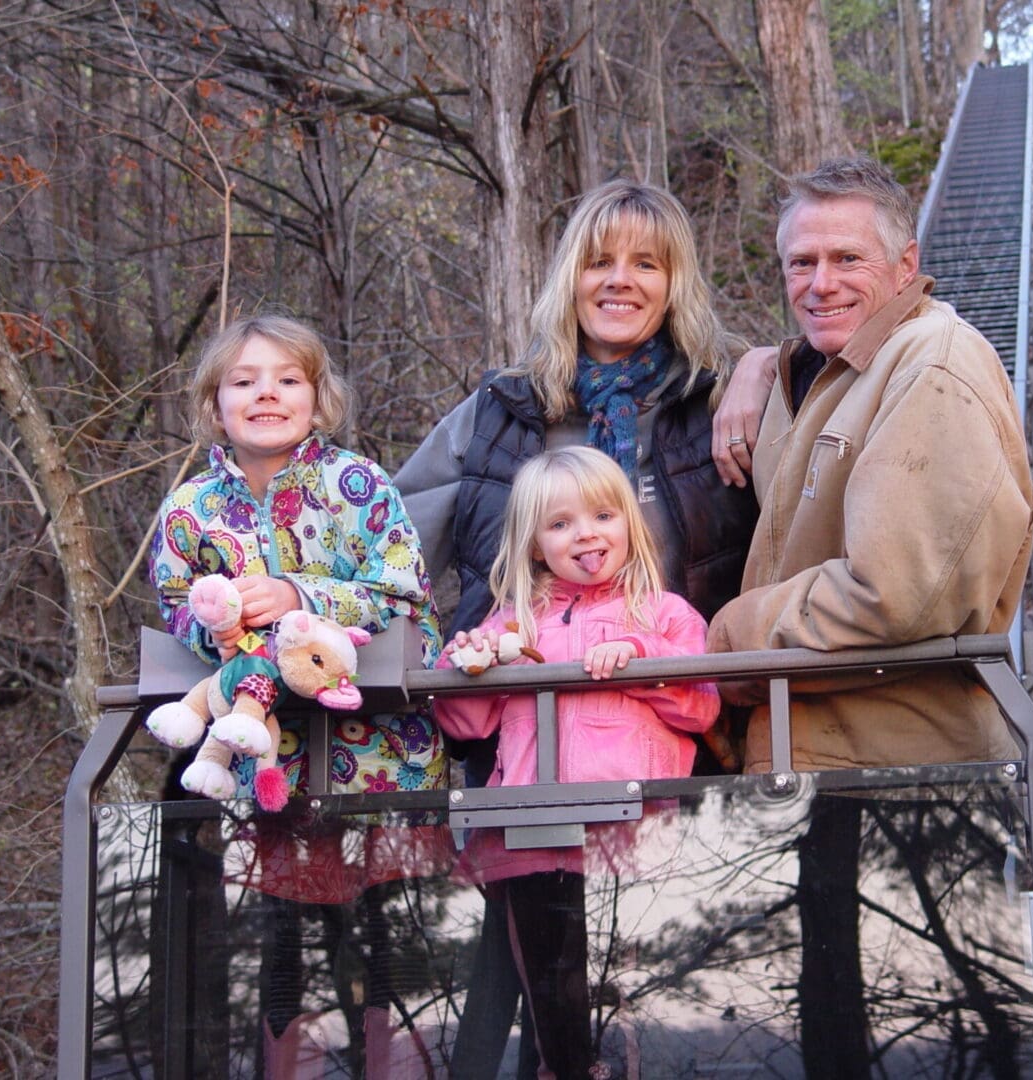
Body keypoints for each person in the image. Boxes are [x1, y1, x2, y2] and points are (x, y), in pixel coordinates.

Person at [394, 179, 756, 1077]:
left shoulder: (720, 408)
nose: (620, 280)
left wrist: (758, 367)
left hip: (672, 753)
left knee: (659, 995)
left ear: (676, 283)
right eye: (599, 260)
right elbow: (388, 544)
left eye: (647, 262)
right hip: (517, 750)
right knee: (510, 996)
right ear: (570, 277)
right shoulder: (501, 414)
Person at [147, 314, 448, 1073]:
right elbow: (174, 602)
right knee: (281, 934)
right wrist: (209, 630)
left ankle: (398, 1060)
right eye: (244, 382)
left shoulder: (359, 485)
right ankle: (289, 1061)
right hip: (263, 768)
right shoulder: (189, 509)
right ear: (215, 402)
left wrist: (297, 594)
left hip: (379, 761)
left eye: (287, 379)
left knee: (388, 934)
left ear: (319, 397)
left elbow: (404, 593)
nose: (266, 394)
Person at [706, 157, 1033, 772]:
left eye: (847, 259)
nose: (820, 283)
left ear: (906, 265)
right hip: (810, 762)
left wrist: (727, 640)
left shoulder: (934, 367)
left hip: (899, 773)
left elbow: (895, 594)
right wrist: (756, 362)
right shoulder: (821, 373)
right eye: (802, 263)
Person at [433, 446, 720, 1079]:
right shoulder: (515, 623)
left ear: (629, 525)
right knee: (552, 991)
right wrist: (463, 668)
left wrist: (638, 655)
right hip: (532, 834)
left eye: (602, 515)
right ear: (536, 546)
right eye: (560, 524)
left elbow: (701, 706)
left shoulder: (663, 614)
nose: (586, 533)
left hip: (634, 836)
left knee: (634, 984)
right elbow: (465, 725)